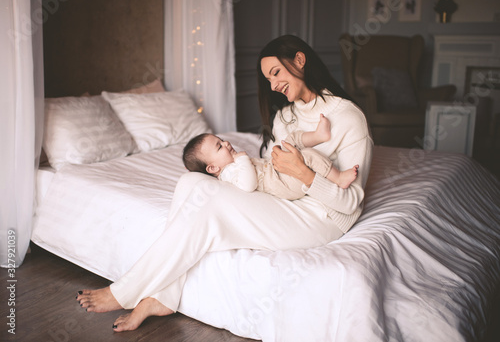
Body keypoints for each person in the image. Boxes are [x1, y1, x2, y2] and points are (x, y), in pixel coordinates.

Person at [76, 34, 373, 332]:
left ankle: (126, 291)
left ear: (299, 60)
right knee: (192, 182)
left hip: (322, 217)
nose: (272, 86)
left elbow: (350, 203)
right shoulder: (285, 116)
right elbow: (272, 173)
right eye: (267, 79)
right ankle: (161, 298)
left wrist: (305, 175)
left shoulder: (347, 117)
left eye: (276, 73)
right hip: (284, 199)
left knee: (208, 200)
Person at [182, 114, 359, 200]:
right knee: (307, 157)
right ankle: (339, 178)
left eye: (222, 140)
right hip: (282, 184)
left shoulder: (231, 165)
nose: (226, 143)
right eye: (219, 146)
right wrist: (242, 159)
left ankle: (319, 135)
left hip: (276, 171)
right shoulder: (226, 174)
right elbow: (248, 185)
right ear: (212, 168)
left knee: (288, 142)